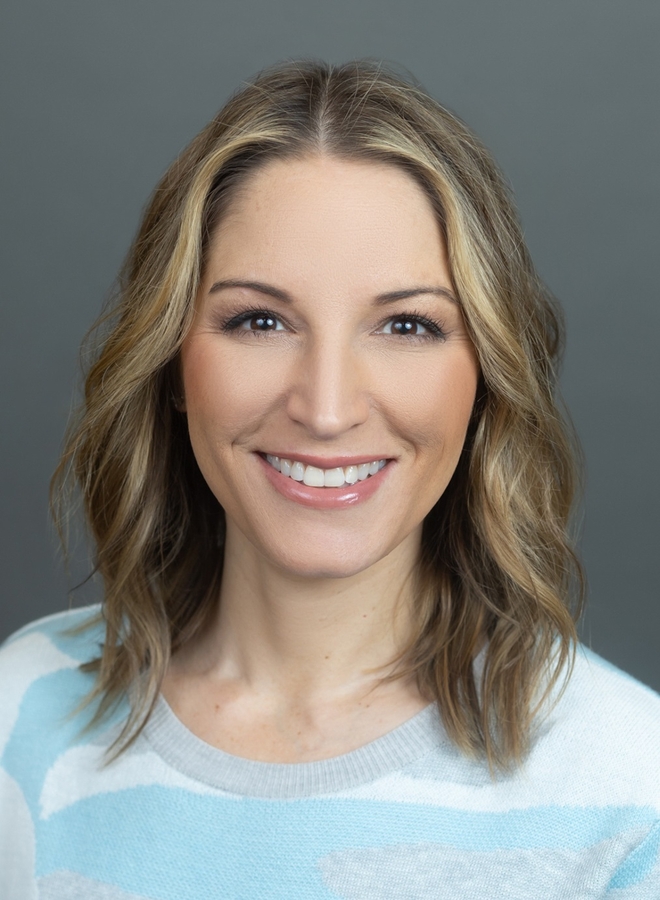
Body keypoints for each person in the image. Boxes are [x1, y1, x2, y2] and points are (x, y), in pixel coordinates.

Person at [1, 60, 658, 900]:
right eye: (260, 321)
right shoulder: (20, 714)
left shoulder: (630, 792)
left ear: (486, 378)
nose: (326, 408)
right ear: (171, 362)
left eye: (407, 326)